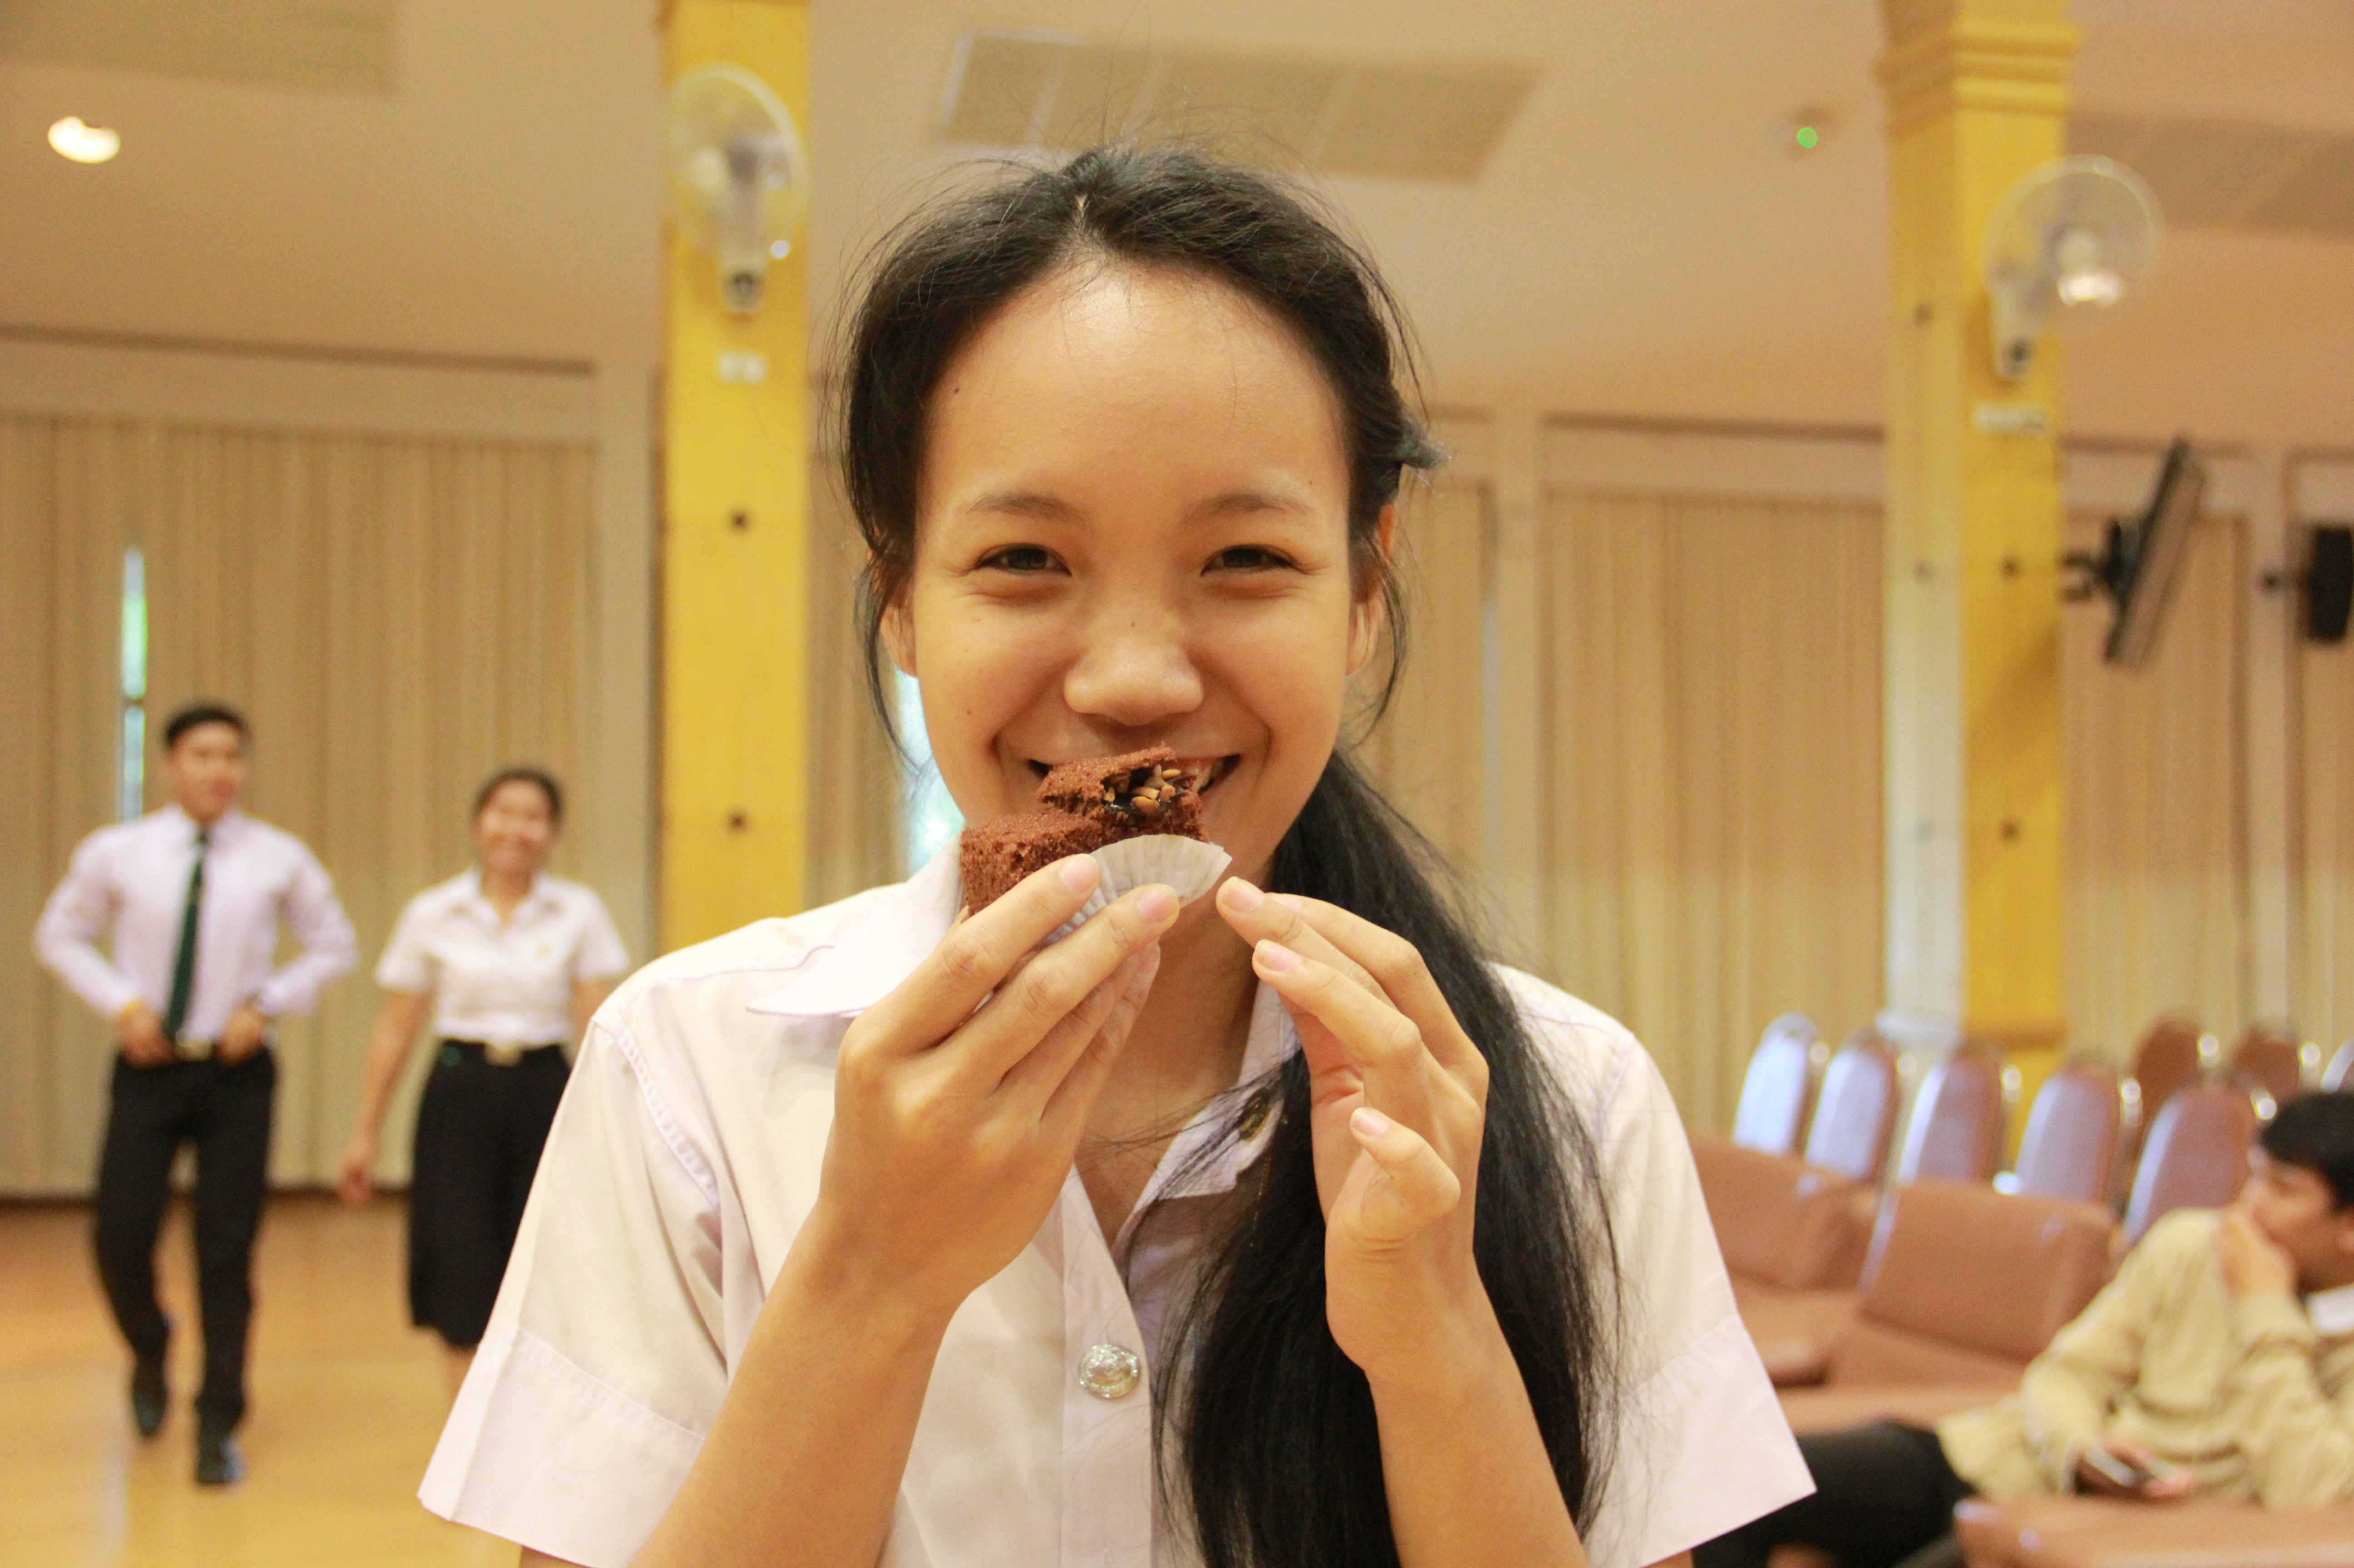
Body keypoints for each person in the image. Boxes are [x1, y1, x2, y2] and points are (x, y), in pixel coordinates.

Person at [420, 145, 1810, 1568]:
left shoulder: (1571, 1103)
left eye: (1247, 560)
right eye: (1024, 560)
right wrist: (868, 1283)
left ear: (1364, 591)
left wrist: (1436, 1333)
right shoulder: (691, 1073)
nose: (1136, 680)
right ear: (900, 599)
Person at [1696, 1090, 2354, 1568]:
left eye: (2283, 1190)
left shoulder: (2295, 1312)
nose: (2249, 1208)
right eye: (2253, 1178)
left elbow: (2311, 1489)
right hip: (1998, 1455)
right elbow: (2066, 1373)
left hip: (2084, 1525)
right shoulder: (2190, 1244)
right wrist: (2083, 1449)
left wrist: (2264, 1307)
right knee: (1728, 1480)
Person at [34, 702, 357, 1487]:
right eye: (202, 755)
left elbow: (334, 945)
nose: (219, 770)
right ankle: (150, 1345)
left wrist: (268, 1002)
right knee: (120, 1234)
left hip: (236, 1073)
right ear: (170, 764)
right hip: (149, 1067)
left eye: (231, 756)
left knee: (226, 1247)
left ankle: (218, 1420)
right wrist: (122, 1004)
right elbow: (59, 934)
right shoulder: (120, 852)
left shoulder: (277, 856)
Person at [337, 767, 628, 1392]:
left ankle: (533, 1421)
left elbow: (598, 1025)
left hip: (545, 1090)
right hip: (459, 1092)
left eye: (533, 816)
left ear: (553, 832)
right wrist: (364, 1132)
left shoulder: (578, 911)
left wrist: (612, 1127)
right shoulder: (433, 912)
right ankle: (465, 1432)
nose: (515, 829)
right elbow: (396, 1028)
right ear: (478, 823)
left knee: (547, 1264)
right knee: (460, 1264)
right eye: (503, 812)